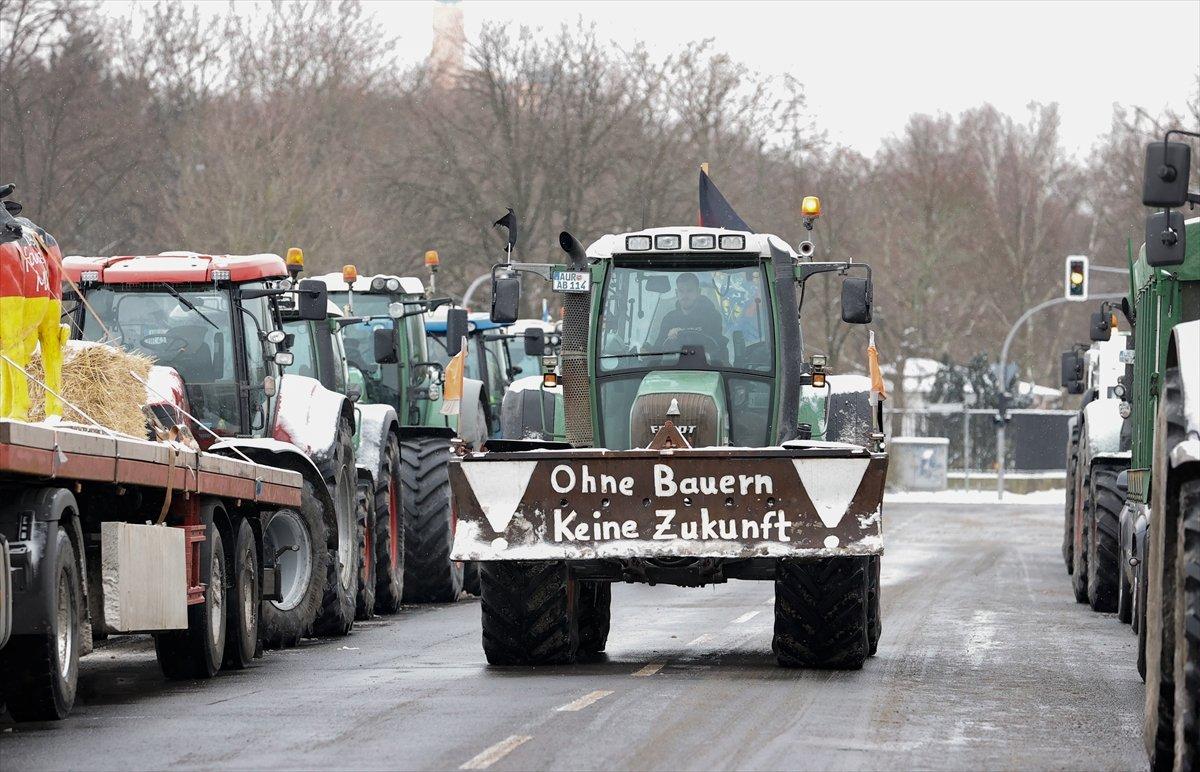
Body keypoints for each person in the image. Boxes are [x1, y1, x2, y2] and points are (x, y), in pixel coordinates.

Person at [654, 272, 725, 348]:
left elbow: (719, 348)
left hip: (706, 360)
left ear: (698, 292)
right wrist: (670, 339)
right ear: (676, 293)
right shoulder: (669, 319)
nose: (685, 296)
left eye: (689, 290)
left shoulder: (712, 317)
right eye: (681, 291)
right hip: (674, 360)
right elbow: (657, 352)